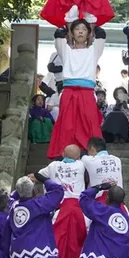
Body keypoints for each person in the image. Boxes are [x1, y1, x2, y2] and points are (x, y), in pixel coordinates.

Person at [47, 20, 106, 159]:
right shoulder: (65, 51)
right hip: (69, 93)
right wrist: (68, 21)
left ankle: (92, 153)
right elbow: (58, 35)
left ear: (88, 33)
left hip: (87, 93)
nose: (80, 31)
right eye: (77, 29)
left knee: (90, 123)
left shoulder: (93, 51)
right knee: (67, 125)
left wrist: (91, 20)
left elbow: (101, 34)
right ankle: (66, 154)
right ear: (72, 33)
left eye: (84, 29)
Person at [7, 176, 73, 258]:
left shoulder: (12, 206)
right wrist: (43, 179)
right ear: (34, 190)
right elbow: (58, 191)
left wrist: (21, 187)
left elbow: (11, 196)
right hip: (38, 253)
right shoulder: (39, 204)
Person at [36, 146, 88, 258]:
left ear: (63, 153)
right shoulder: (81, 165)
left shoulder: (53, 166)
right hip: (79, 210)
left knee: (57, 238)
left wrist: (44, 180)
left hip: (59, 209)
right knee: (79, 240)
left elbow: (38, 174)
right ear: (78, 157)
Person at [77, 183, 129, 258]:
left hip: (103, 255)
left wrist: (99, 187)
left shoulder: (102, 210)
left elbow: (83, 198)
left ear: (107, 198)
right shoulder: (128, 220)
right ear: (122, 201)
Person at [81, 138, 125, 210]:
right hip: (119, 203)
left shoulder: (89, 160)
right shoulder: (117, 160)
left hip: (99, 204)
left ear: (92, 148)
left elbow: (80, 155)